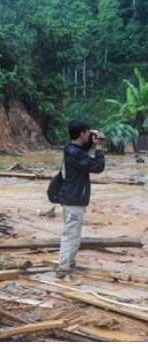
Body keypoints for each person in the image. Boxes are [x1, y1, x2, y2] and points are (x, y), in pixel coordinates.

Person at [56, 119, 105, 285]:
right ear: (82, 134)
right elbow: (97, 167)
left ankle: (70, 264)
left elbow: (83, 148)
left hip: (74, 199)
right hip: (73, 200)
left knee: (75, 235)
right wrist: (99, 148)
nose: (90, 135)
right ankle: (63, 271)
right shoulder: (74, 153)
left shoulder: (72, 148)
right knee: (70, 236)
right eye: (87, 132)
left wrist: (92, 137)